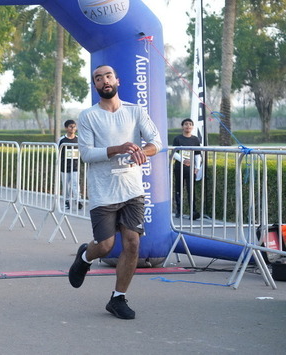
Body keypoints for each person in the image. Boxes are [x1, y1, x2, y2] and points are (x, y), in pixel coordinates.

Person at [68, 65, 162, 320]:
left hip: (132, 190)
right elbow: (86, 154)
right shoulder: (88, 116)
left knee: (132, 243)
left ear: (117, 80)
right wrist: (118, 148)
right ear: (95, 86)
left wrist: (143, 152)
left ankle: (118, 298)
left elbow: (156, 142)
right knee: (106, 246)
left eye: (108, 76)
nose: (104, 81)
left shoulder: (135, 111)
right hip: (103, 191)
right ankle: (85, 256)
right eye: (98, 78)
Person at [172, 118, 202, 219]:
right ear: (182, 126)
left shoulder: (195, 139)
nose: (188, 126)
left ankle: (193, 211)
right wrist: (183, 160)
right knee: (179, 189)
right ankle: (179, 210)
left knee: (191, 190)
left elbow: (197, 154)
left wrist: (197, 167)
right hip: (179, 168)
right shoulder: (177, 139)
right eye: (186, 124)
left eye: (190, 124)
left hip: (190, 169)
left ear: (192, 127)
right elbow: (174, 152)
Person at [58, 119, 82, 210]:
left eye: (74, 127)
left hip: (75, 166)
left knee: (75, 183)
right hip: (64, 167)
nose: (73, 128)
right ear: (66, 128)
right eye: (70, 127)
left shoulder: (78, 139)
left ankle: (78, 200)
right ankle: (67, 201)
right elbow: (58, 152)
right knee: (66, 185)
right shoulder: (62, 140)